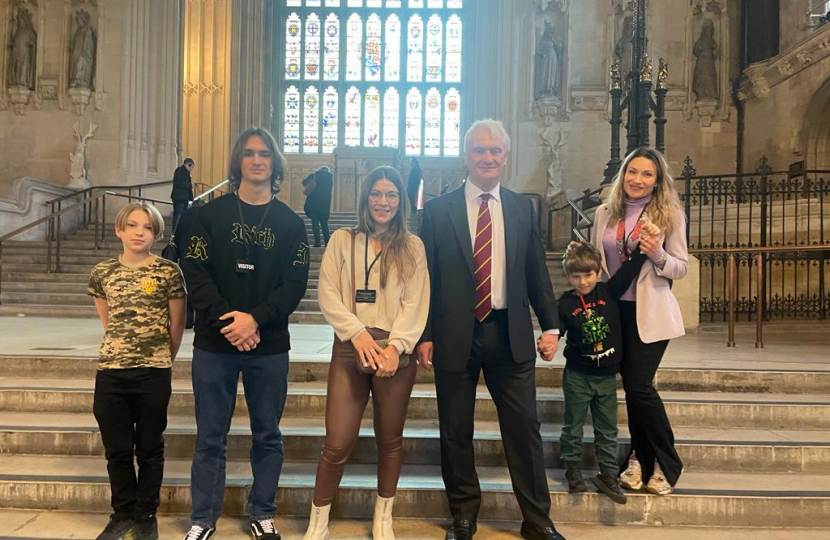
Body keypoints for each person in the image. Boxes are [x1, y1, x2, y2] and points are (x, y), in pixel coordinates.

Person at [417, 119, 567, 540]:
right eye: (480, 150)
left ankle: (537, 519)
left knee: (524, 430)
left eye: (495, 151)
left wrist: (552, 325)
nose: (487, 157)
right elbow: (426, 277)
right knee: (455, 429)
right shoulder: (437, 210)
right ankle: (463, 514)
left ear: (505, 156)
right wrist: (424, 333)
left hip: (509, 331)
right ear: (466, 156)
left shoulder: (522, 207)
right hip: (453, 334)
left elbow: (537, 270)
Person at [180, 128, 310, 540]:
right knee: (210, 436)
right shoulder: (206, 216)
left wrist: (255, 321)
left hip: (268, 346)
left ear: (274, 164)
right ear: (238, 161)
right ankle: (203, 518)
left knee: (267, 434)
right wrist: (230, 322)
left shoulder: (292, 224)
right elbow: (195, 275)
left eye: (265, 154)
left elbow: (294, 285)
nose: (257, 160)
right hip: (214, 346)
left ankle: (263, 512)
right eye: (249, 154)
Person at [302, 166, 430, 540]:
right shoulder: (342, 240)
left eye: (391, 195)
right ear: (365, 198)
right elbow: (328, 293)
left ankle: (383, 518)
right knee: (337, 440)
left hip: (394, 352)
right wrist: (356, 333)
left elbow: (416, 301)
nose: (383, 201)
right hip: (350, 348)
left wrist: (397, 347)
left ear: (400, 202)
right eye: (376, 194)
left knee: (390, 438)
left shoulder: (413, 246)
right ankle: (318, 522)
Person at [590, 146, 688, 496]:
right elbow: (599, 265)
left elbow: (681, 266)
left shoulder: (669, 214)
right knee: (631, 388)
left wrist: (657, 254)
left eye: (647, 174)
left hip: (650, 312)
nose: (638, 179)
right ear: (623, 175)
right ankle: (637, 458)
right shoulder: (604, 213)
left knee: (639, 386)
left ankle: (666, 462)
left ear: (658, 180)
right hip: (615, 312)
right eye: (633, 172)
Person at [87, 202, 186, 540]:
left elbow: (177, 323)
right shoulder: (103, 272)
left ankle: (146, 512)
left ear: (155, 234)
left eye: (147, 227)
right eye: (132, 225)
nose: (139, 232)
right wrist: (122, 349)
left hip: (153, 372)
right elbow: (107, 319)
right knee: (116, 449)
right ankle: (122, 512)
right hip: (112, 372)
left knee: (149, 447)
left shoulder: (168, 271)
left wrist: (162, 358)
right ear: (119, 230)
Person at [556, 238, 654, 505]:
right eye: (575, 276)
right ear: (569, 277)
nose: (583, 281)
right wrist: (548, 339)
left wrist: (644, 249)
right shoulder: (565, 303)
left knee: (607, 428)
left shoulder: (608, 293)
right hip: (577, 375)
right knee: (573, 426)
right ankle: (573, 469)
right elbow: (556, 329)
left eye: (588, 274)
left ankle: (608, 473)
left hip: (607, 377)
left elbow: (630, 269)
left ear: (598, 272)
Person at [303, 165, 334, 247]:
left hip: (314, 205)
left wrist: (311, 175)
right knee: (324, 225)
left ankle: (317, 242)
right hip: (324, 206)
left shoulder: (315, 176)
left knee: (315, 224)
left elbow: (304, 183)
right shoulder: (329, 180)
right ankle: (327, 242)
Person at [170, 158, 195, 227]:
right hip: (179, 198)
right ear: (188, 164)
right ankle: (175, 233)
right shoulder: (179, 171)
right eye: (192, 167)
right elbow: (178, 183)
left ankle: (180, 231)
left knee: (183, 217)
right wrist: (189, 185)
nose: (192, 169)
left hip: (185, 199)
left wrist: (191, 198)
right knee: (177, 216)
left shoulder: (187, 174)